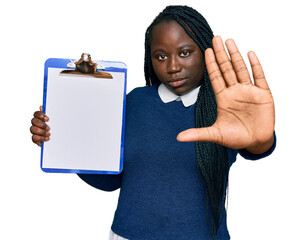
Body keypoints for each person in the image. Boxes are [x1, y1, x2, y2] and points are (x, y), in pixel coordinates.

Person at [30, 5, 276, 240]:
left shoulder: (225, 108)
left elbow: (256, 145)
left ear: (205, 52)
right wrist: (61, 144)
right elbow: (110, 180)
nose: (173, 66)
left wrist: (261, 139)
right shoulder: (134, 102)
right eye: (161, 56)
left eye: (185, 52)